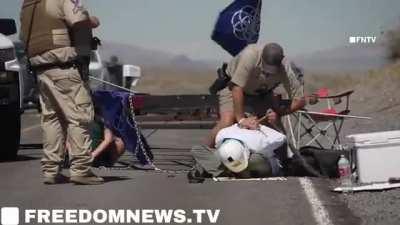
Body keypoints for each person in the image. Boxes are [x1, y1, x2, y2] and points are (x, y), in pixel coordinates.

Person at [20, 0, 103, 185]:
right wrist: (83, 57)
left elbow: (24, 36)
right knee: (80, 116)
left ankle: (51, 171)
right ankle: (81, 170)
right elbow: (80, 24)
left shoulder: (28, 5)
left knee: (52, 120)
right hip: (65, 66)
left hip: (42, 69)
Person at [206, 43, 306, 166]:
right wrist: (241, 119)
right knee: (227, 121)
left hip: (261, 95)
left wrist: (278, 113)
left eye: (272, 72)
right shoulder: (250, 55)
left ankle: (282, 163)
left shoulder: (286, 67)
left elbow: (300, 100)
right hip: (234, 89)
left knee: (277, 132)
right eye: (265, 70)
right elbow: (237, 88)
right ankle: (205, 153)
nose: (268, 74)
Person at [189, 123, 286, 183]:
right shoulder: (222, 134)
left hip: (255, 158)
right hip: (226, 154)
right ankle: (224, 171)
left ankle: (215, 169)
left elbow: (282, 138)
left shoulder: (258, 142)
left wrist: (261, 127)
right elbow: (281, 137)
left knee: (256, 159)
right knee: (197, 149)